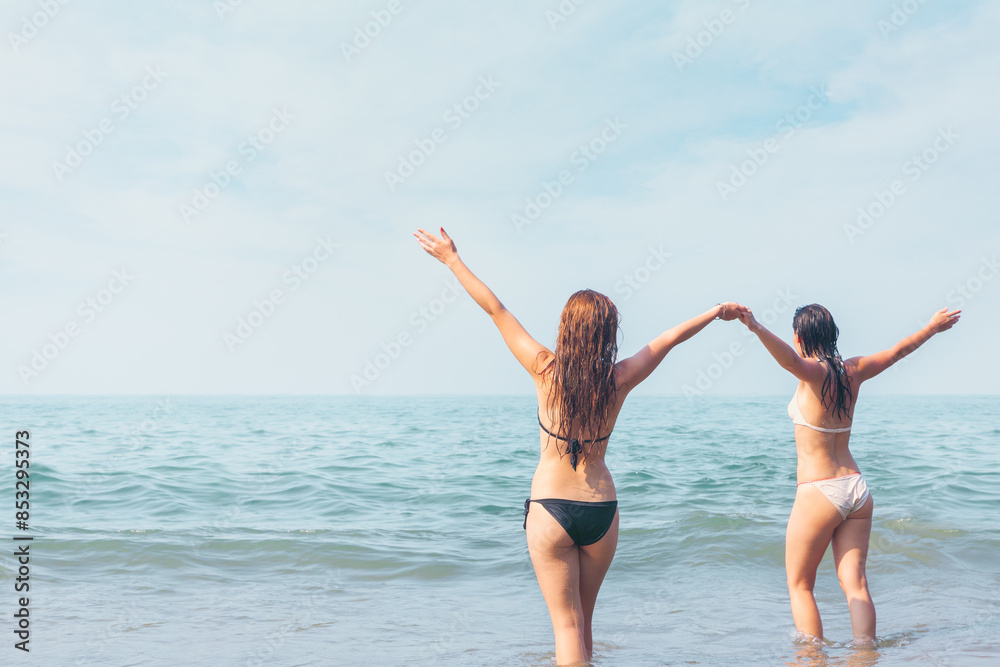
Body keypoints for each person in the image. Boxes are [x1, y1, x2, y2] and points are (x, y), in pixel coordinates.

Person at [415, 227, 742, 664]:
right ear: (607, 334)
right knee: (584, 623)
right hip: (601, 510)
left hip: (551, 508)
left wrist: (453, 260)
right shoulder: (619, 379)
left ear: (566, 329)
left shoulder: (543, 369)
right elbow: (669, 338)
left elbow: (496, 310)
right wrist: (716, 311)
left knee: (566, 627)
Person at [736, 303, 961, 646]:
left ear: (799, 337)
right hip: (857, 490)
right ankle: (865, 654)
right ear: (831, 334)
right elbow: (897, 352)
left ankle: (812, 660)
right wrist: (931, 328)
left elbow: (790, 361)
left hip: (818, 490)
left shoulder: (812, 373)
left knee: (800, 585)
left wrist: (755, 326)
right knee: (856, 584)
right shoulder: (854, 370)